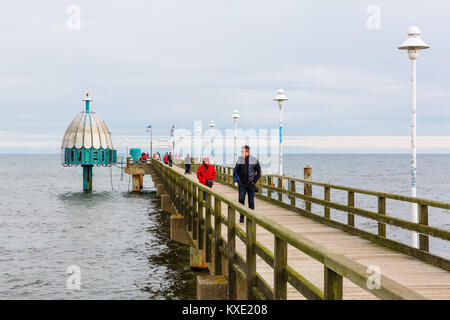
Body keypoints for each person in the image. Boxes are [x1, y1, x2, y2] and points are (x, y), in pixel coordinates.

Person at [233, 145, 261, 223]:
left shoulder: (254, 160)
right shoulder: (239, 160)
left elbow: (259, 172)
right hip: (242, 184)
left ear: (247, 152)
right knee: (241, 200)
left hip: (251, 184)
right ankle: (242, 216)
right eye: (241, 151)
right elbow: (236, 171)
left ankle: (250, 218)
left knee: (251, 201)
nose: (241, 152)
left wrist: (254, 181)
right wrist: (238, 181)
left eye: (243, 151)